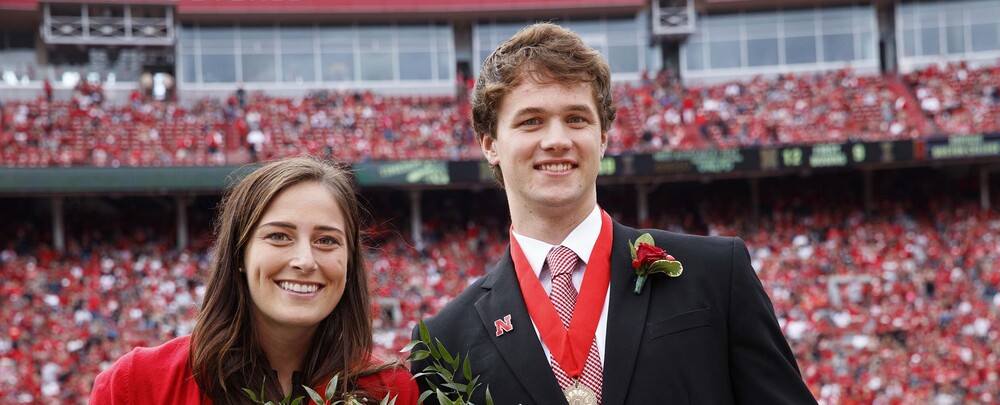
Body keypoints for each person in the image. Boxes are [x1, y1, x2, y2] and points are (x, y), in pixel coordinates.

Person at [411, 23, 816, 404]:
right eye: (531, 121)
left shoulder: (716, 274)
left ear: (602, 137)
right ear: (490, 144)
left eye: (576, 119)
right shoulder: (443, 341)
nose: (557, 140)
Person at [90, 156, 419, 404]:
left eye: (327, 240)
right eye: (279, 236)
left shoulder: (393, 391)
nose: (305, 260)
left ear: (349, 262)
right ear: (239, 255)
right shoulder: (137, 385)